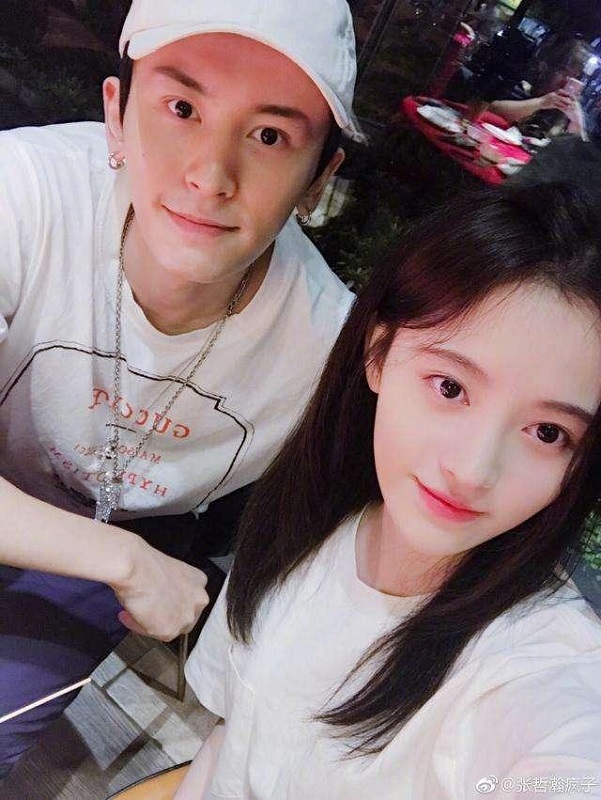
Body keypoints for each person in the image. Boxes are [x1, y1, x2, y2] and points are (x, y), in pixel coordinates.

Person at [0, 0, 361, 776]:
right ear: (116, 114)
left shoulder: (328, 349)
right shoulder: (22, 194)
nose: (209, 175)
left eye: (270, 136)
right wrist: (125, 560)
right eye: (182, 108)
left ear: (318, 178)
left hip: (115, 548)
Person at [180, 183, 601, 799]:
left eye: (547, 433)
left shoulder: (535, 665)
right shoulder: (307, 521)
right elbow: (231, 735)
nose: (473, 470)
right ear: (378, 354)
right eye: (450, 388)